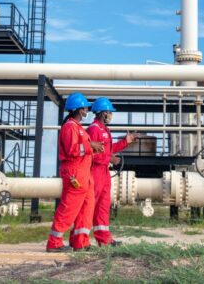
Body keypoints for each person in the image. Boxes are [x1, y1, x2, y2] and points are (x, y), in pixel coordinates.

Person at [46, 93, 105, 252]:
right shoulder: (70, 127)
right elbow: (72, 150)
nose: (87, 110)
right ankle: (54, 242)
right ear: (79, 109)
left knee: (86, 210)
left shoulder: (78, 128)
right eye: (85, 107)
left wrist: (93, 147)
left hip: (84, 175)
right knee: (68, 209)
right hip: (75, 174)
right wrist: (90, 146)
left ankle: (80, 242)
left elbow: (82, 149)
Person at [87, 97, 138, 247]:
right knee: (90, 206)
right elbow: (92, 153)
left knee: (103, 207)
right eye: (110, 112)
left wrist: (126, 141)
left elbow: (108, 150)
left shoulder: (104, 130)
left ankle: (104, 240)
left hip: (103, 173)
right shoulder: (93, 129)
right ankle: (80, 240)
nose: (111, 115)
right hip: (95, 171)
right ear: (103, 113)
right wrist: (110, 158)